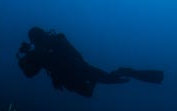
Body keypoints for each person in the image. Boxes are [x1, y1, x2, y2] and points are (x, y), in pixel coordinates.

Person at [17, 26, 163, 97]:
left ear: (35, 38)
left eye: (33, 39)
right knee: (90, 91)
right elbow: (32, 71)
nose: (34, 42)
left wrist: (24, 58)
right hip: (77, 72)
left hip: (79, 70)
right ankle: (122, 72)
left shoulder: (43, 48)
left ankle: (125, 71)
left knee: (111, 79)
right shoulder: (45, 47)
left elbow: (30, 72)